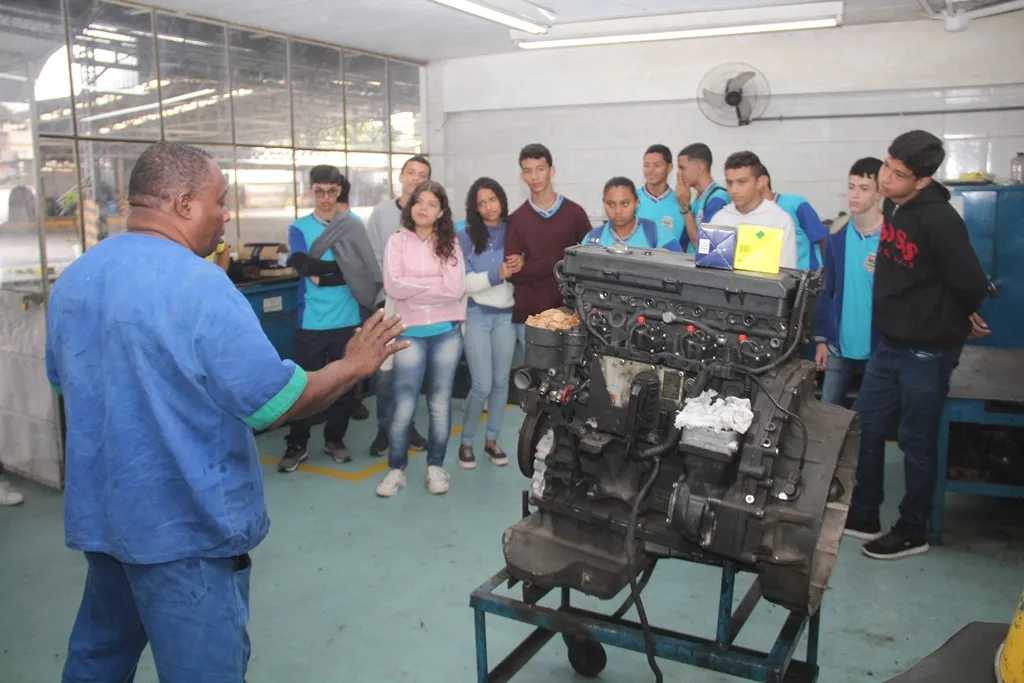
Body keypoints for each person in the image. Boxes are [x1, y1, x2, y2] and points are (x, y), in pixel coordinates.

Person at [45, 142, 407, 682]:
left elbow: (64, 379)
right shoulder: (199, 285)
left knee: (98, 660)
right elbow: (275, 402)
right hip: (183, 530)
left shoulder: (77, 277)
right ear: (186, 203)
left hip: (106, 520)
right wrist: (354, 366)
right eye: (220, 200)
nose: (227, 213)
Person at [846, 130, 990, 560]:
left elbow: (969, 282)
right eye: (887, 167)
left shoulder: (941, 221)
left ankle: (913, 529)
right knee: (864, 428)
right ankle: (864, 514)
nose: (886, 178)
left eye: (898, 174)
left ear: (923, 181)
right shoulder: (894, 205)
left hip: (926, 351)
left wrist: (955, 316)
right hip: (889, 345)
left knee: (916, 440)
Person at [377, 181, 466, 498]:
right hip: (408, 334)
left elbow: (454, 289)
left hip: (446, 333)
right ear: (409, 206)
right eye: (418, 201)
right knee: (403, 405)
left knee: (440, 404)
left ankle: (436, 466)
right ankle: (396, 469)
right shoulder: (396, 242)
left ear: (441, 211)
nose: (424, 207)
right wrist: (431, 286)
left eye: (431, 203)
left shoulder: (450, 243)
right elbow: (393, 286)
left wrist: (414, 287)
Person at [278, 166, 365, 471]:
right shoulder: (299, 228)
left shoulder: (353, 224)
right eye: (319, 191)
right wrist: (342, 270)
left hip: (347, 319)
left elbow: (362, 270)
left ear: (340, 191)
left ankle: (335, 439)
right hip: (312, 322)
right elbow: (304, 267)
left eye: (331, 191)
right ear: (310, 191)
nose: (326, 198)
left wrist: (322, 273)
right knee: (303, 387)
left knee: (342, 386)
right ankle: (297, 443)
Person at [364, 156, 431, 456]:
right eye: (411, 173)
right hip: (387, 304)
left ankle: (407, 424)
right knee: (385, 372)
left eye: (423, 175)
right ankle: (384, 429)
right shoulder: (381, 213)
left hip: (419, 308)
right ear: (401, 176)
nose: (415, 179)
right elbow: (373, 258)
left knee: (411, 370)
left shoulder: (431, 215)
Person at [504, 143, 592, 349]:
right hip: (530, 317)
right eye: (528, 171)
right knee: (533, 378)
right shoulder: (516, 220)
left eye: (540, 169)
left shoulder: (575, 213)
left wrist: (530, 264)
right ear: (522, 176)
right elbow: (514, 274)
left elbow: (588, 261)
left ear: (552, 171)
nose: (534, 177)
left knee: (569, 379)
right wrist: (563, 261)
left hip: (568, 314)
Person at [456, 178, 518, 470]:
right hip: (477, 315)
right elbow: (462, 283)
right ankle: (466, 442)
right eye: (481, 203)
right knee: (481, 384)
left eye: (492, 199)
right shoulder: (464, 236)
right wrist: (497, 273)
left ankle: (492, 442)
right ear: (474, 208)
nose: (488, 207)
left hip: (506, 315)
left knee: (500, 382)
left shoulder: (514, 231)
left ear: (502, 199)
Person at [813, 157, 885, 407]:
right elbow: (826, 288)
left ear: (879, 193)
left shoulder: (893, 239)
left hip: (878, 348)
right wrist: (822, 339)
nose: (854, 195)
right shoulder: (838, 236)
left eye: (864, 189)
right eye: (851, 187)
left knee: (869, 418)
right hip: (839, 346)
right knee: (826, 412)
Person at [712, 151, 797, 269]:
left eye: (742, 182)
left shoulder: (779, 221)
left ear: (759, 182)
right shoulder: (719, 219)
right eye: (730, 183)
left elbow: (786, 272)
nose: (734, 190)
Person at [582, 177, 684, 251]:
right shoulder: (592, 239)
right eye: (611, 204)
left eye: (625, 204)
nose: (618, 211)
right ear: (604, 203)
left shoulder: (658, 234)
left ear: (637, 202)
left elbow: (679, 269)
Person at [761, 169, 829, 270]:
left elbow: (822, 238)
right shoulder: (754, 214)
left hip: (807, 277)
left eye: (743, 182)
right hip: (777, 280)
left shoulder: (796, 204)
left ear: (762, 181)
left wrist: (827, 274)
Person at [676, 143, 730, 252]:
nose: (678, 174)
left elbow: (703, 246)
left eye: (682, 168)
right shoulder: (697, 198)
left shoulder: (718, 198)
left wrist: (685, 206)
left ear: (700, 168)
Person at [636, 144, 684, 244]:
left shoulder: (680, 202)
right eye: (646, 165)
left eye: (657, 165)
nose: (650, 170)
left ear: (669, 167)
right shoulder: (632, 199)